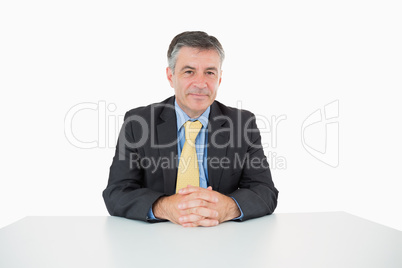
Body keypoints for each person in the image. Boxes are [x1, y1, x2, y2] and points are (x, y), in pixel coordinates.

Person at [103, 31, 278, 227]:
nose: (201, 83)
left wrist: (228, 207)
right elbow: (116, 193)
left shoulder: (243, 123)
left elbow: (265, 191)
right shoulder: (137, 122)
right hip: (156, 241)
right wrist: (165, 207)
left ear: (219, 78)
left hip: (223, 238)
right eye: (189, 72)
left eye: (210, 72)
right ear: (171, 76)